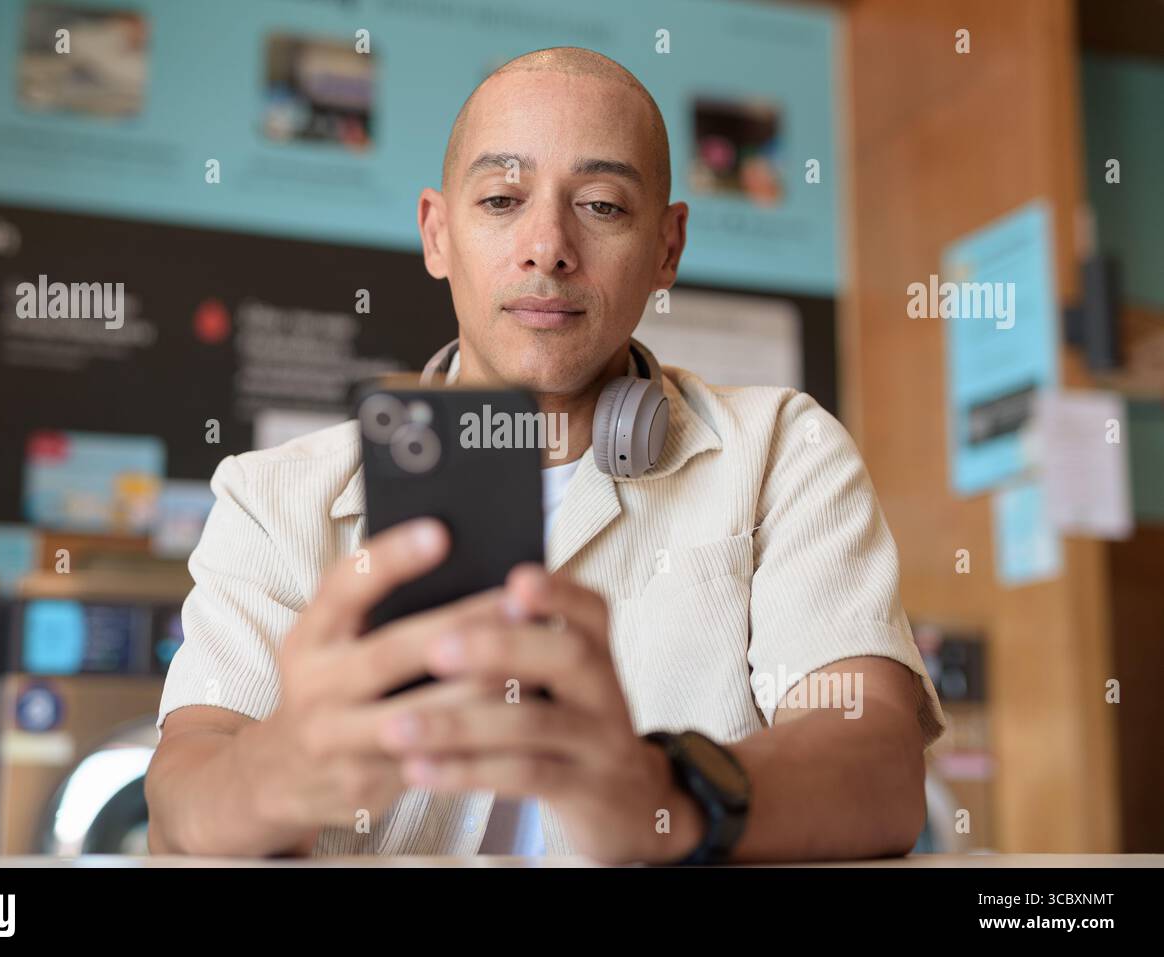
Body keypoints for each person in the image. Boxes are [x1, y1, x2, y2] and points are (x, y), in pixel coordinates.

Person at [146, 46, 946, 864]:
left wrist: (660, 793)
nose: (548, 247)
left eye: (601, 206)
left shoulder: (784, 453)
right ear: (437, 233)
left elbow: (875, 762)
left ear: (668, 248)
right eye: (501, 198)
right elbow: (183, 794)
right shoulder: (271, 495)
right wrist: (277, 770)